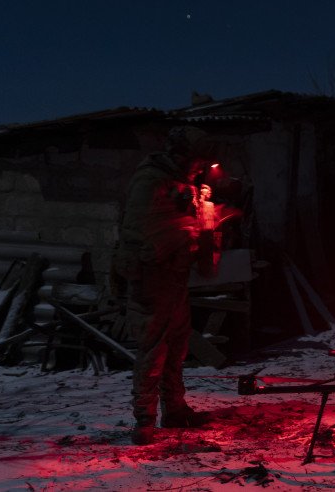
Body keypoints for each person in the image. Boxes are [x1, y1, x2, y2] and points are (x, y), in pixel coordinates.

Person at [112, 126, 210, 446]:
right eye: (195, 163)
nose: (198, 169)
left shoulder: (177, 181)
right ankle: (144, 420)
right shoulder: (151, 180)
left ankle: (175, 410)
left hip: (173, 277)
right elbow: (144, 233)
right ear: (180, 155)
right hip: (152, 278)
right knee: (153, 349)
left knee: (177, 347)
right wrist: (187, 221)